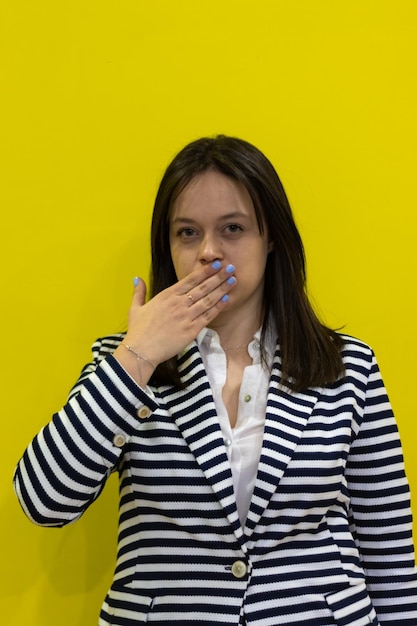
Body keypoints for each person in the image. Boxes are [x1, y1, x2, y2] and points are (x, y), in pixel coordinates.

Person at [14, 135, 417, 626]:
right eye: (187, 233)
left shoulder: (346, 366)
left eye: (232, 228)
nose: (208, 251)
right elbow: (43, 501)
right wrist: (137, 356)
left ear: (271, 239)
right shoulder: (120, 365)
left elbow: (387, 541)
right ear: (168, 245)